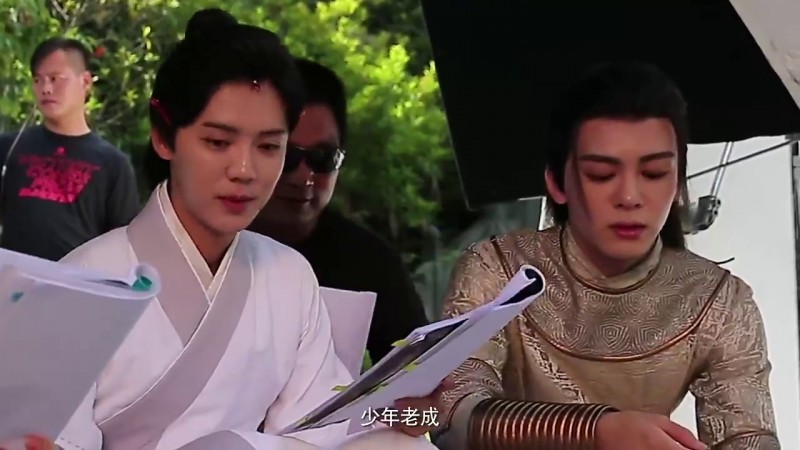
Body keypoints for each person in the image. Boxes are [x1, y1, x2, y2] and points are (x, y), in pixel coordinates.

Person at [46, 9, 440, 450]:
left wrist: (401, 413)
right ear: (164, 136)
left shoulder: (289, 276)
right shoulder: (80, 284)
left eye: (269, 146)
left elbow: (321, 429)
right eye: (218, 142)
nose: (245, 170)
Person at [432, 62, 779, 449]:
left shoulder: (719, 301)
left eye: (654, 173)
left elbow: (749, 436)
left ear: (678, 183)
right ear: (557, 183)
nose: (629, 197)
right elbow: (451, 413)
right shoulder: (498, 269)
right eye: (601, 174)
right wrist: (594, 430)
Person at [248, 58, 429, 364]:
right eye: (287, 155)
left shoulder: (370, 262)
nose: (303, 177)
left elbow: (418, 371)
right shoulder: (203, 244)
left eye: (322, 157)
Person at [0, 37, 139, 261]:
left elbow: (124, 249)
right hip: (13, 279)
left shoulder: (113, 164)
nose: (46, 89)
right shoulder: (8, 148)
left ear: (85, 82)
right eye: (38, 80)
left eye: (55, 79)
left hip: (79, 281)